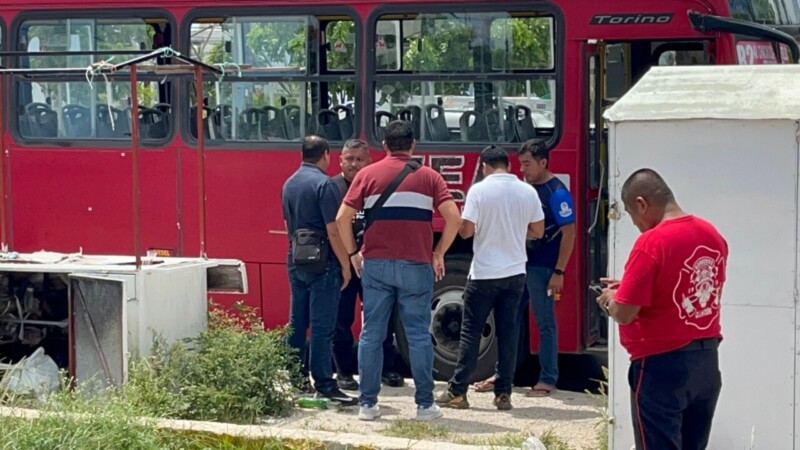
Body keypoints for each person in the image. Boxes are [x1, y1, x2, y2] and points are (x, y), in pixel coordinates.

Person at [336, 120, 461, 421]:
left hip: (375, 265)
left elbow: (342, 218)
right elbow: (454, 218)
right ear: (413, 145)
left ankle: (367, 405)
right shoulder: (430, 176)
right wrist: (439, 252)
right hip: (417, 265)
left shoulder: (366, 175)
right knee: (418, 335)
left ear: (385, 146)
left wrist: (353, 253)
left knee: (371, 334)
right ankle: (424, 405)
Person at [597, 169, 727, 450]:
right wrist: (631, 286)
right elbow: (689, 287)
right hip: (706, 362)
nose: (638, 225)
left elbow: (626, 312)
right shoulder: (711, 234)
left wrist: (610, 299)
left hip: (661, 366)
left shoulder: (652, 241)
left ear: (642, 203)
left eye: (633, 216)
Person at [435, 145, 544, 411]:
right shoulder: (527, 191)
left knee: (470, 332)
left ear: (484, 166)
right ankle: (503, 394)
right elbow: (538, 231)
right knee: (508, 334)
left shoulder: (479, 190)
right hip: (515, 273)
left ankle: (458, 391)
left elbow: (466, 232)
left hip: (484, 273)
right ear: (508, 165)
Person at [474, 138, 576, 396]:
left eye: (528, 164)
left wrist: (559, 271)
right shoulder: (524, 189)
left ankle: (548, 378)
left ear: (543, 162)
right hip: (516, 266)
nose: (523, 170)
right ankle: (501, 376)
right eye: (520, 164)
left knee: (545, 322)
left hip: (542, 268)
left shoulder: (557, 192)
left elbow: (569, 233)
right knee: (509, 321)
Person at [281, 135, 357, 406]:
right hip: (323, 262)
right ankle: (325, 383)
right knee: (323, 326)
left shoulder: (289, 183)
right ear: (325, 154)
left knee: (297, 323)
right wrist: (346, 264)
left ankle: (296, 377)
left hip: (295, 258)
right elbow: (333, 230)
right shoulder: (325, 185)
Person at [330, 138, 404, 391]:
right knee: (341, 320)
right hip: (343, 266)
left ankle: (387, 368)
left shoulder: (376, 185)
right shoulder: (332, 188)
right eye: (349, 158)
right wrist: (346, 259)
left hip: (374, 263)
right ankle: (344, 372)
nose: (353, 163)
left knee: (382, 318)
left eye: (359, 159)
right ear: (340, 160)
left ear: (369, 161)